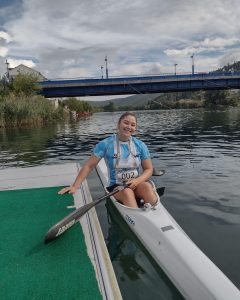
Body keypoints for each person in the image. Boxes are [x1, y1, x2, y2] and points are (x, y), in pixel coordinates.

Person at [58, 112, 158, 208]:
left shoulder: (140, 145)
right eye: (126, 123)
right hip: (116, 187)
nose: (129, 127)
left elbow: (148, 169)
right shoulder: (105, 144)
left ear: (135, 128)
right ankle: (137, 217)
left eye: (132, 125)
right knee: (127, 192)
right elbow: (89, 166)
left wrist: (138, 180)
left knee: (147, 187)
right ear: (119, 123)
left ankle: (155, 211)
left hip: (136, 183)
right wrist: (75, 186)